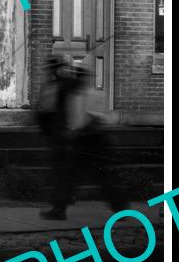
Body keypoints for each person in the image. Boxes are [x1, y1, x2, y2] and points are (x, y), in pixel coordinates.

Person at [38, 54, 126, 220]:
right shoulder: (92, 92)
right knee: (99, 176)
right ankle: (119, 207)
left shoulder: (70, 92)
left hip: (82, 140)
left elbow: (75, 119)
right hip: (94, 138)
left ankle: (59, 208)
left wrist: (69, 132)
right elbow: (104, 117)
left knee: (70, 176)